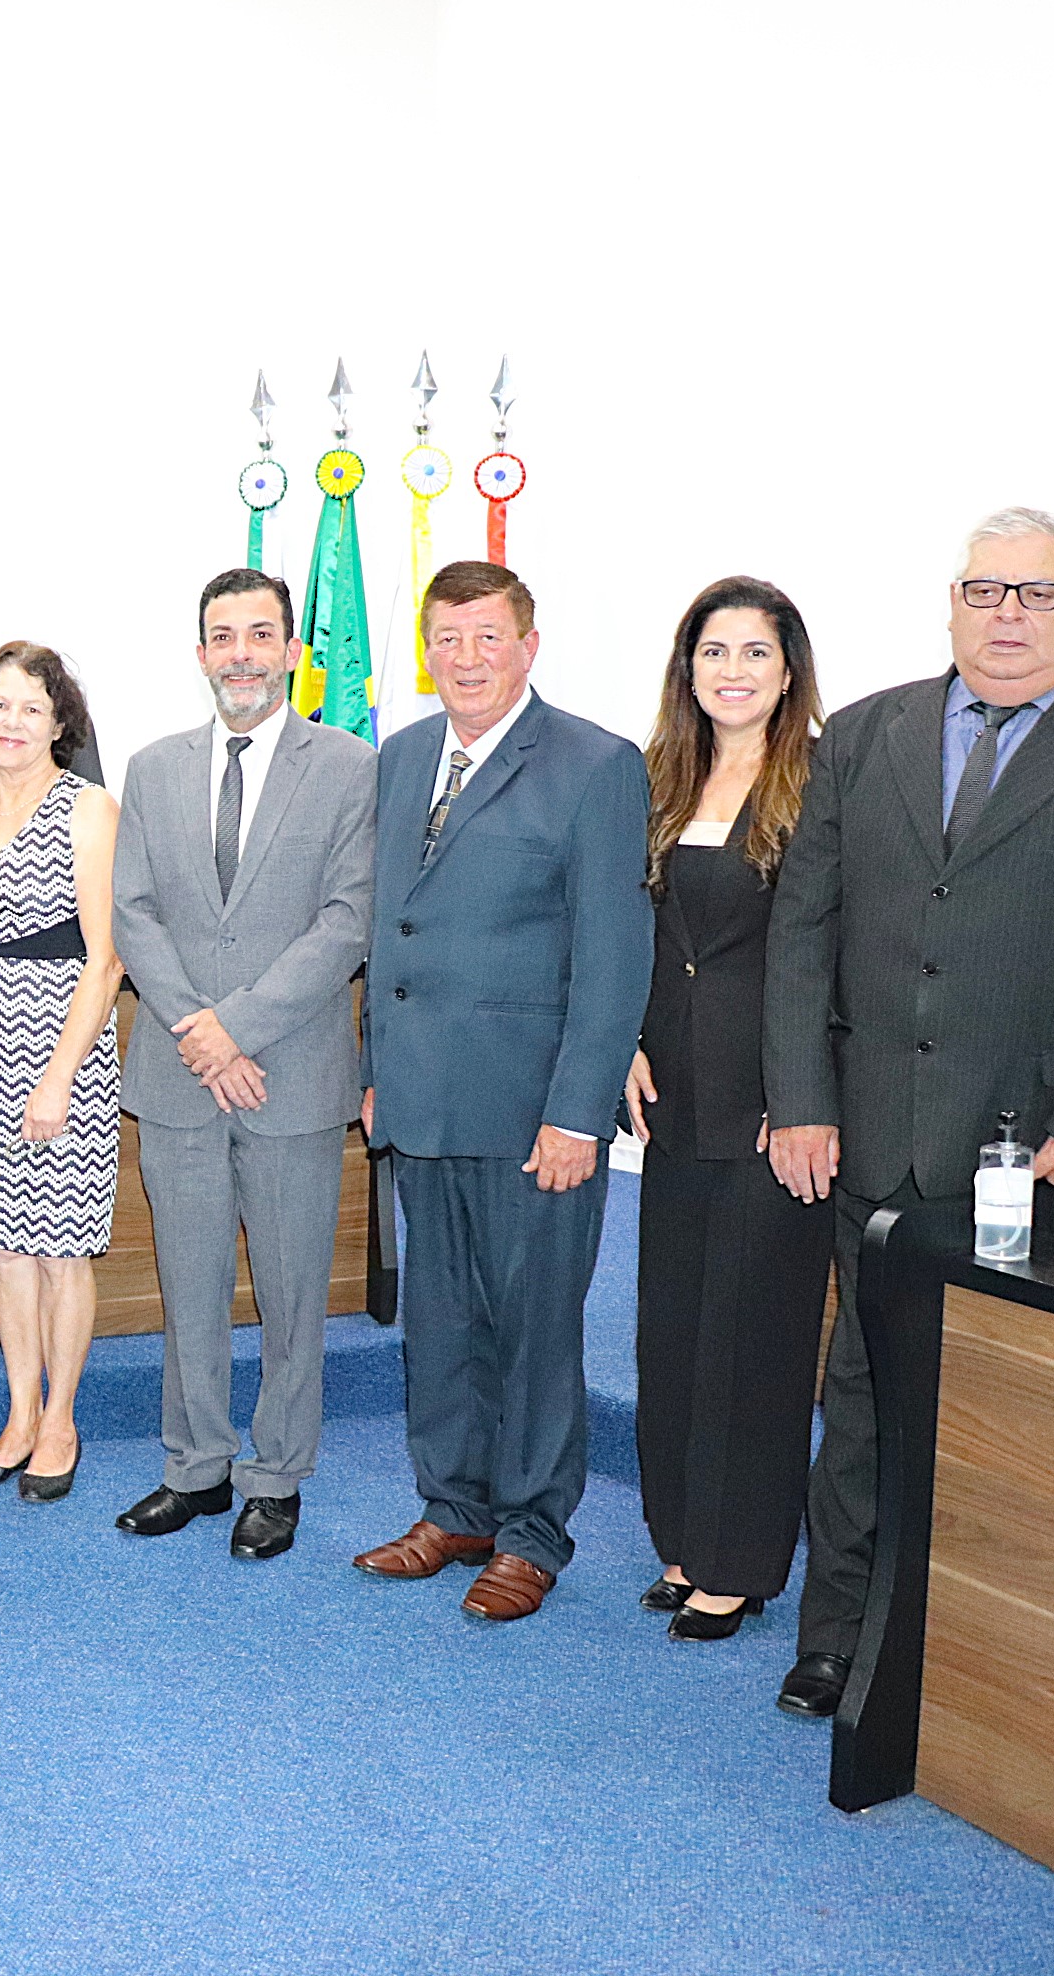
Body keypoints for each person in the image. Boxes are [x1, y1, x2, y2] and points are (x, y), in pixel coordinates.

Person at [762, 508, 1054, 1717]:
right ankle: (839, 1635)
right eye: (987, 592)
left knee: (1007, 1409)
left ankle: (980, 1654)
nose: (1008, 617)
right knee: (863, 1390)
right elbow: (804, 932)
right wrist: (804, 1099)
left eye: (1037, 595)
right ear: (952, 603)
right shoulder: (867, 734)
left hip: (1043, 1155)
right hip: (872, 1133)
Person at [355, 560, 652, 1622]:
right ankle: (456, 1506)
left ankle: (531, 1532)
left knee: (534, 1331)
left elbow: (616, 962)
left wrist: (581, 1110)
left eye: (487, 638)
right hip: (421, 1101)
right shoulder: (397, 759)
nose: (465, 659)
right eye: (447, 638)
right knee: (437, 1323)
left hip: (537, 1116)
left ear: (529, 644)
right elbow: (388, 929)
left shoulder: (595, 765)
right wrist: (376, 1073)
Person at [109, 570, 375, 1557]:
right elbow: (132, 910)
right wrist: (198, 1028)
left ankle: (277, 1473)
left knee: (293, 1287)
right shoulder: (152, 766)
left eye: (260, 635)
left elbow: (348, 918)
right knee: (190, 1282)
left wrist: (242, 1027)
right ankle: (196, 1465)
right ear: (200, 652)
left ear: (294, 650)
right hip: (181, 1071)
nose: (242, 655)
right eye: (223, 636)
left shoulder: (349, 767)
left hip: (290, 1071)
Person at [622, 578, 832, 1642]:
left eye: (756, 652)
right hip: (674, 1099)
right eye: (715, 651)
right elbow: (635, 934)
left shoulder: (820, 781)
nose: (733, 671)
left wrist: (800, 1093)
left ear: (788, 669)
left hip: (769, 1108)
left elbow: (837, 957)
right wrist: (624, 1047)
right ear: (688, 666)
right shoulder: (663, 776)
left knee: (755, 1337)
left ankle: (741, 1557)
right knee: (673, 1327)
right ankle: (682, 1533)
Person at [0, 643, 123, 1503]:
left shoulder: (88, 809)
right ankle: (16, 1415)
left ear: (59, 725)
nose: (11, 723)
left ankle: (62, 1420)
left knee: (60, 1251)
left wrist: (58, 1075)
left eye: (30, 710)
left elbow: (107, 957)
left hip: (60, 1042)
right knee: (6, 1249)